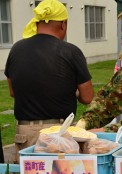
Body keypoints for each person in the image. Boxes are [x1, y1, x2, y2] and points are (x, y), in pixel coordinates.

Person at [4, 0, 94, 162]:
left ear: (37, 23)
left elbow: (12, 92)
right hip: (59, 134)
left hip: (25, 133)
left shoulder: (16, 49)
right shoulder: (71, 51)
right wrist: (71, 91)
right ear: (63, 25)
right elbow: (87, 97)